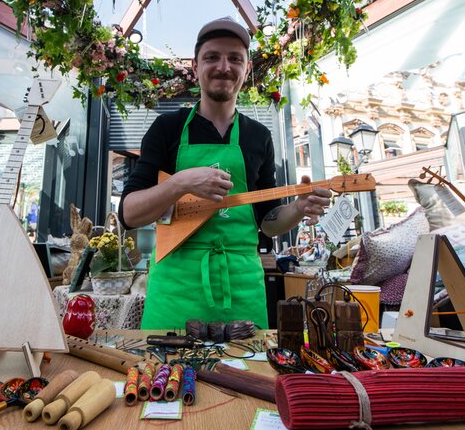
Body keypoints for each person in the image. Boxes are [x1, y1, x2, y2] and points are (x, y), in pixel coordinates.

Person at [119, 17, 331, 330]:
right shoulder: (167, 128)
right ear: (195, 66)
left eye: (235, 58)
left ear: (246, 70)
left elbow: (268, 224)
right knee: (168, 377)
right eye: (212, 57)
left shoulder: (258, 136)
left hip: (241, 289)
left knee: (249, 375)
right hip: (176, 289)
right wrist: (181, 182)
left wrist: (297, 209)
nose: (223, 66)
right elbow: (129, 213)